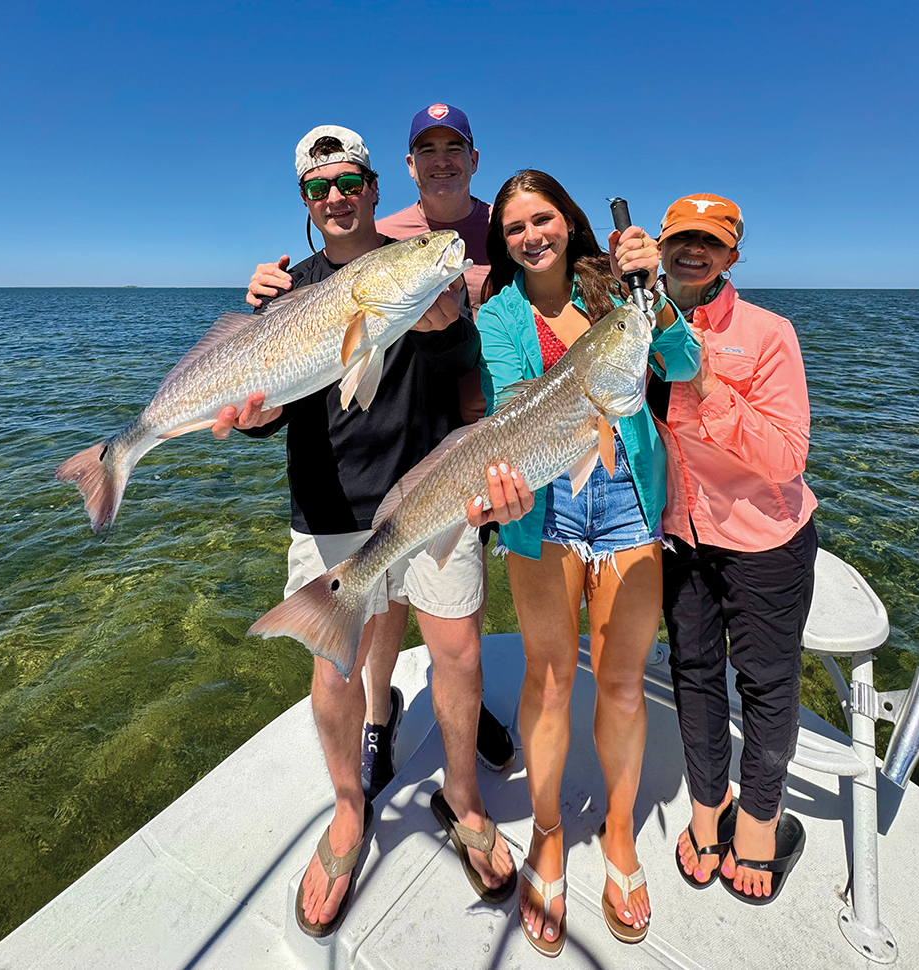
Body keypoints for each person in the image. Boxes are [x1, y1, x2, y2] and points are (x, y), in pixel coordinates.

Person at [215, 125, 519, 937]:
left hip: (431, 493)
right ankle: (350, 812)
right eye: (320, 188)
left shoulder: (415, 265)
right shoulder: (281, 292)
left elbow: (464, 370)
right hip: (329, 505)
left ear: (379, 189)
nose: (337, 196)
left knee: (457, 650)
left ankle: (462, 798)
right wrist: (250, 418)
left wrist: (449, 323)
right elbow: (261, 408)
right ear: (306, 205)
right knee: (335, 671)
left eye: (350, 181)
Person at [474, 170, 700, 955]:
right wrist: (497, 489)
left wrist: (656, 288)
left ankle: (619, 833)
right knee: (548, 677)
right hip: (543, 506)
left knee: (621, 679)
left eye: (543, 219)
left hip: (630, 497)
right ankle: (544, 834)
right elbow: (512, 403)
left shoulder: (621, 292)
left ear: (569, 224)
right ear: (504, 245)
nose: (531, 235)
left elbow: (681, 360)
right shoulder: (499, 315)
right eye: (514, 229)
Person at [648, 194, 818, 904]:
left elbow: (786, 455)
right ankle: (706, 810)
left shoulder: (769, 331)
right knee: (692, 672)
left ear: (732, 255)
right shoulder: (640, 325)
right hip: (681, 538)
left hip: (764, 541)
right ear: (661, 249)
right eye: (681, 239)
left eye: (710, 242)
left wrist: (707, 382)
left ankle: (760, 824)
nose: (694, 252)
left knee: (767, 683)